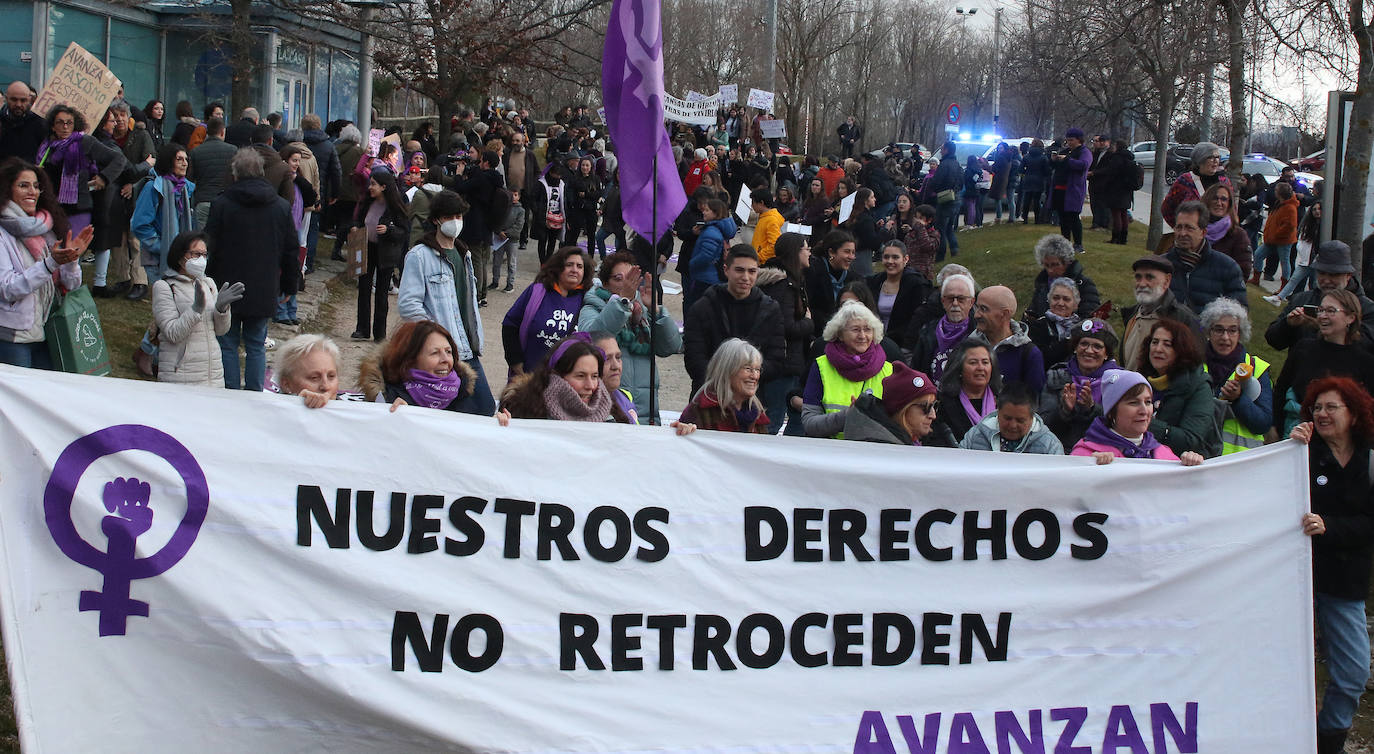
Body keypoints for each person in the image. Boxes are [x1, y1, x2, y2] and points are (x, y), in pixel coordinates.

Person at [1287, 378, 1374, 754]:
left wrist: (1330, 527)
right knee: (1289, 669)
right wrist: (1287, 450)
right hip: (1293, 579)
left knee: (1354, 671)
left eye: (1331, 407)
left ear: (1353, 414)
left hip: (1345, 582)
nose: (1321, 414)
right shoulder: (1301, 453)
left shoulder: (1370, 459)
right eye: (1316, 408)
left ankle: (1330, 739)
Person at [205, 148, 300, 391]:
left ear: (235, 174)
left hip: (227, 285)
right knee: (256, 344)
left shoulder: (221, 204)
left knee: (227, 342)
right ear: (261, 172)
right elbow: (291, 249)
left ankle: (230, 393)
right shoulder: (279, 207)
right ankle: (255, 394)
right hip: (264, 284)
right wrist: (291, 285)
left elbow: (210, 247)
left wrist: (207, 283)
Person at [395, 189, 495, 415]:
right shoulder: (419, 255)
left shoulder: (464, 254)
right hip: (442, 353)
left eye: (458, 216)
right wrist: (435, 337)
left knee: (485, 409)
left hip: (468, 349)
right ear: (436, 220)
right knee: (453, 412)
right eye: (449, 217)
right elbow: (409, 305)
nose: (455, 222)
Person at [0, 158, 89, 368]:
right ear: (7, 190)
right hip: (13, 337)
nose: (32, 191)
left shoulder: (47, 230)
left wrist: (71, 261)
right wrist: (49, 264)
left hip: (48, 330)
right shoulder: (3, 235)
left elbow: (71, 285)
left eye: (36, 186)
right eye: (23, 185)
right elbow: (7, 288)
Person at [577, 252, 681, 423]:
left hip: (647, 411)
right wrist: (622, 302)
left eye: (631, 278)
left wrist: (656, 311)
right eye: (619, 279)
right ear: (605, 283)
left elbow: (671, 346)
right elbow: (591, 340)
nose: (626, 284)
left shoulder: (643, 312)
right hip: (610, 411)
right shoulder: (593, 308)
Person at [684, 244, 785, 397]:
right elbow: (694, 360)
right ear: (726, 270)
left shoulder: (770, 310)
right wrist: (729, 380)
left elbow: (776, 361)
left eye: (752, 271)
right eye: (739, 270)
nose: (746, 277)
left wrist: (745, 378)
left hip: (752, 401)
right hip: (710, 397)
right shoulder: (703, 307)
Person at [1273, 289, 1374, 436]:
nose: (1322, 316)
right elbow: (1281, 390)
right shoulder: (1303, 349)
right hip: (1296, 436)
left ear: (1351, 317)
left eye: (1331, 311)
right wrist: (1274, 427)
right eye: (1320, 310)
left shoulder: (1364, 361)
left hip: (1341, 442)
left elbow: (1367, 410)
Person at [150, 230, 243, 386]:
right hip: (181, 376)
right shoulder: (165, 287)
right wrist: (195, 309)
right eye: (195, 254)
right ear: (180, 256)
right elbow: (173, 333)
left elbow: (221, 330)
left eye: (204, 255)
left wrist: (222, 309)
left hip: (212, 375)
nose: (201, 260)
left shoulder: (209, 284)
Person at [799, 300, 894, 438]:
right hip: (830, 453)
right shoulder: (821, 366)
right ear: (840, 334)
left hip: (875, 454)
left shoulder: (889, 370)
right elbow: (809, 423)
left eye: (868, 329)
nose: (862, 336)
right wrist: (846, 416)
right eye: (855, 329)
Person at [1070, 369, 1204, 465]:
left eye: (1148, 402)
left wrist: (1191, 466)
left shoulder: (1162, 454)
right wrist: (1090, 468)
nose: (1144, 410)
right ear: (1111, 410)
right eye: (1133, 403)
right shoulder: (1087, 454)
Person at [34, 105, 127, 237]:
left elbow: (119, 159)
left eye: (69, 123)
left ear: (75, 125)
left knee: (72, 250)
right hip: (52, 207)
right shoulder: (46, 146)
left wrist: (104, 178)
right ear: (53, 126)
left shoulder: (84, 141)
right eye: (60, 123)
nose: (65, 127)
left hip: (78, 208)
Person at [497, 334, 633, 423]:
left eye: (595, 376)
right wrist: (499, 428)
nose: (591, 386)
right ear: (557, 375)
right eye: (580, 376)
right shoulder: (520, 410)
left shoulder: (614, 416)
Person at [1135, 317, 1221, 457]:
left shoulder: (1198, 386)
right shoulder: (1139, 379)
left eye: (1167, 344)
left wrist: (1145, 424)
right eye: (1155, 342)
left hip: (1178, 467)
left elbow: (1191, 440)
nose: (1158, 349)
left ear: (1181, 350)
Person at [1265, 241, 1374, 350]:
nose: (1326, 280)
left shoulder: (1367, 309)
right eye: (1322, 273)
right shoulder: (1302, 299)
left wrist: (1324, 326)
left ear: (1348, 276)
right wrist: (1287, 324)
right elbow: (1274, 340)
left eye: (1333, 274)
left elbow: (1367, 348)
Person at [1199, 298, 1272, 454]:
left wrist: (1239, 399)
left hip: (1239, 461)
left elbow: (1263, 424)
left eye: (1232, 330)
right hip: (1197, 456)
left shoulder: (1256, 368)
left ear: (1240, 333)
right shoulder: (1193, 364)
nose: (1225, 337)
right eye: (1218, 329)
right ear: (1208, 332)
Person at [502, 245, 589, 375]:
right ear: (558, 267)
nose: (574, 270)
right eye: (569, 265)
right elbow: (510, 325)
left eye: (579, 266)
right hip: (528, 378)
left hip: (568, 384)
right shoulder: (537, 291)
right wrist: (516, 363)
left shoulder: (587, 299)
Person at [1039, 318, 1121, 449]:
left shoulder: (1120, 381)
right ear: (1075, 348)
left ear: (1107, 354)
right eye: (1084, 344)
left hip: (1105, 453)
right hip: (1062, 453)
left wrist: (1092, 409)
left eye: (1097, 346)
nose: (1089, 350)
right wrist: (1065, 411)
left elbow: (1123, 424)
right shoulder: (1057, 377)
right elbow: (1044, 425)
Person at [360, 320, 476, 412]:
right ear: (411, 360)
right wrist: (394, 416)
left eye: (448, 352)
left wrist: (491, 424)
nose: (445, 360)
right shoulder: (388, 398)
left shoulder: (461, 390)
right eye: (435, 353)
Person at [350, 171, 408, 343]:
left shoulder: (395, 206)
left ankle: (379, 333)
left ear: (384, 187)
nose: (370, 187)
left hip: (385, 252)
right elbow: (358, 220)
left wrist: (389, 230)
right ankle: (362, 329)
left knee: (382, 293)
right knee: (364, 289)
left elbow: (404, 232)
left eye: (374, 184)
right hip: (366, 248)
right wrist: (355, 227)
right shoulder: (368, 202)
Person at [837, 361, 952, 445]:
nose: (933, 415)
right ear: (902, 408)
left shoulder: (922, 439)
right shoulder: (883, 449)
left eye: (934, 406)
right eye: (925, 407)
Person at [1162, 199, 1248, 312]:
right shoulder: (1161, 265)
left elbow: (1239, 310)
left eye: (1189, 228)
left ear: (1203, 233)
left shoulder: (1227, 268)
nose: (1182, 233)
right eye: (1179, 227)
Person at [132, 143, 197, 287]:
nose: (184, 163)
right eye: (179, 159)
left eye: (186, 159)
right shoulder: (153, 188)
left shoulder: (186, 189)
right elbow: (139, 224)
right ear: (168, 161)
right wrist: (161, 246)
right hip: (157, 259)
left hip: (181, 258)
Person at [1120, 255, 1200, 371]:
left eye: (1149, 277)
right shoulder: (1132, 316)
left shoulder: (1183, 318)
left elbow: (1196, 365)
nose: (1142, 284)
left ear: (1167, 281)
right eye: (1138, 277)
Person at [680, 338, 772, 433]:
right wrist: (684, 431)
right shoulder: (701, 410)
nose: (754, 376)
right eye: (748, 368)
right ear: (727, 371)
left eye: (757, 369)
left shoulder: (758, 415)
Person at [974, 285, 1045, 394]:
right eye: (977, 307)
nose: (976, 315)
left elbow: (1033, 403)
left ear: (1005, 314)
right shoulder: (968, 346)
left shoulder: (1028, 354)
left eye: (984, 309)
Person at [960, 381, 1065, 454]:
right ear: (997, 410)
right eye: (1007, 418)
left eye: (1020, 420)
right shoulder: (975, 436)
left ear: (1032, 416)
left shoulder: (1049, 446)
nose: (1013, 425)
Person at [932, 338, 1002, 443]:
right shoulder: (943, 404)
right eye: (973, 363)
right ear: (959, 368)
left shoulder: (1004, 400)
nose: (980, 367)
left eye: (985, 362)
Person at [908, 272, 977, 379]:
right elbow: (917, 370)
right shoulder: (927, 332)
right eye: (950, 298)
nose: (955, 303)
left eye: (961, 299)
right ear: (943, 301)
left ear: (971, 302)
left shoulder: (980, 334)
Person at [866, 240, 931, 351]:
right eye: (886, 257)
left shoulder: (916, 284)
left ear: (905, 259)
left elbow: (917, 320)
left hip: (902, 345)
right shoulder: (874, 282)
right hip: (872, 342)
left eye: (895, 257)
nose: (890, 261)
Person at [1025, 234, 1100, 321]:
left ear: (1067, 262)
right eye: (1046, 265)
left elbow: (1091, 319)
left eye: (1055, 265)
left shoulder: (1083, 284)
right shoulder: (1042, 284)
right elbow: (1033, 312)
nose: (1050, 270)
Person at [1160, 141, 1232, 228]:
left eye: (1217, 157)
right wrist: (1181, 228)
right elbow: (1166, 208)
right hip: (1192, 238)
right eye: (1211, 157)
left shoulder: (1224, 181)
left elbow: (1232, 210)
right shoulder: (1185, 181)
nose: (1215, 161)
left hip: (1221, 236)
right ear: (1200, 160)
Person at [803, 229, 859, 336]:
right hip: (817, 334)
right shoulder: (812, 272)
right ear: (831, 252)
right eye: (847, 252)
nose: (851, 257)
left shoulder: (853, 278)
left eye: (853, 252)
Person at [686, 197, 738, 312]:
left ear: (715, 213)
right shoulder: (720, 229)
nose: (703, 212)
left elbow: (706, 255)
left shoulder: (711, 231)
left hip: (705, 277)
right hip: (714, 275)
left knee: (699, 310)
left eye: (707, 210)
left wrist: (692, 263)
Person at [1267, 200, 1323, 305]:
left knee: (1315, 284)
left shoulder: (1324, 227)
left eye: (1319, 209)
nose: (1317, 212)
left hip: (1317, 261)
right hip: (1306, 260)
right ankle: (1278, 298)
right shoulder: (1309, 225)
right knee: (1294, 279)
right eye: (1314, 209)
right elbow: (1302, 240)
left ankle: (1315, 305)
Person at [1200, 181, 1253, 284]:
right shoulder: (1195, 228)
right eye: (1215, 198)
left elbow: (1243, 272)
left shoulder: (1238, 235)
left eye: (1223, 199)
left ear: (1229, 204)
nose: (1219, 203)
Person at [1027, 277, 1084, 369]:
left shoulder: (1082, 326)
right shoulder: (1038, 325)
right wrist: (1070, 339)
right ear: (1049, 300)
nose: (1060, 303)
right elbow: (1043, 358)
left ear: (1075, 304)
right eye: (1056, 298)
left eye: (1066, 299)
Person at [1048, 128, 1090, 250]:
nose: (1069, 142)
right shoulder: (1066, 151)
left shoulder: (1084, 152)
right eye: (1068, 140)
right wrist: (1054, 160)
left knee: (1073, 217)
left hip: (1073, 190)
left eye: (1071, 140)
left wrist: (1067, 160)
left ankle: (1078, 244)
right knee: (1063, 218)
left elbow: (1083, 165)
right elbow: (1055, 167)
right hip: (1060, 190)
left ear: (1079, 140)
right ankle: (1065, 243)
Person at [1252, 180, 1300, 286]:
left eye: (1276, 190)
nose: (1275, 191)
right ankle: (1256, 279)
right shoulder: (1279, 203)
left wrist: (1275, 235)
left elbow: (1289, 226)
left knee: (1284, 262)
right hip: (1272, 239)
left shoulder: (1290, 207)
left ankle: (1284, 285)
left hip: (1283, 241)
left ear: (1280, 193)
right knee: (1258, 255)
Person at [275, 334, 343, 408]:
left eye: (331, 376)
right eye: (314, 378)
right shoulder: (269, 414)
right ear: (286, 384)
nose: (326, 386)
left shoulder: (351, 414)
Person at [929, 142, 963, 260]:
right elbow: (961, 181)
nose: (941, 151)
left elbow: (937, 181)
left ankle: (940, 254)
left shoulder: (944, 165)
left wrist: (934, 187)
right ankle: (954, 248)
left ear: (947, 150)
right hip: (956, 197)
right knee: (949, 227)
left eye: (942, 149)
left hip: (945, 198)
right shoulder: (957, 164)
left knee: (940, 228)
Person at [0, 82, 46, 163]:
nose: (18, 104)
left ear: (29, 100)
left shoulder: (39, 123)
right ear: (6, 98)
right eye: (14, 99)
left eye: (23, 100)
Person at [532, 162, 568, 265]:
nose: (557, 177)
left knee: (552, 241)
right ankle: (543, 262)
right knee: (542, 240)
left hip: (557, 217)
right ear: (550, 173)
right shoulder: (540, 183)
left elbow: (564, 201)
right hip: (543, 217)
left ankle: (548, 261)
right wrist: (539, 214)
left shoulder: (562, 184)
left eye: (559, 175)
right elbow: (533, 199)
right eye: (555, 174)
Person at [1018, 139, 1050, 224]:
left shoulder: (1026, 157)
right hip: (1039, 179)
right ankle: (1037, 219)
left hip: (1028, 179)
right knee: (1037, 200)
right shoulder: (1043, 157)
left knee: (1026, 200)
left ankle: (1025, 218)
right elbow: (1047, 171)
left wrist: (1026, 173)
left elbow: (1020, 169)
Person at [751, 191, 785, 264]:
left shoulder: (771, 220)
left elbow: (774, 245)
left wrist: (758, 256)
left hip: (764, 262)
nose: (752, 205)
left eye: (753, 202)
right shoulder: (764, 217)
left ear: (761, 203)